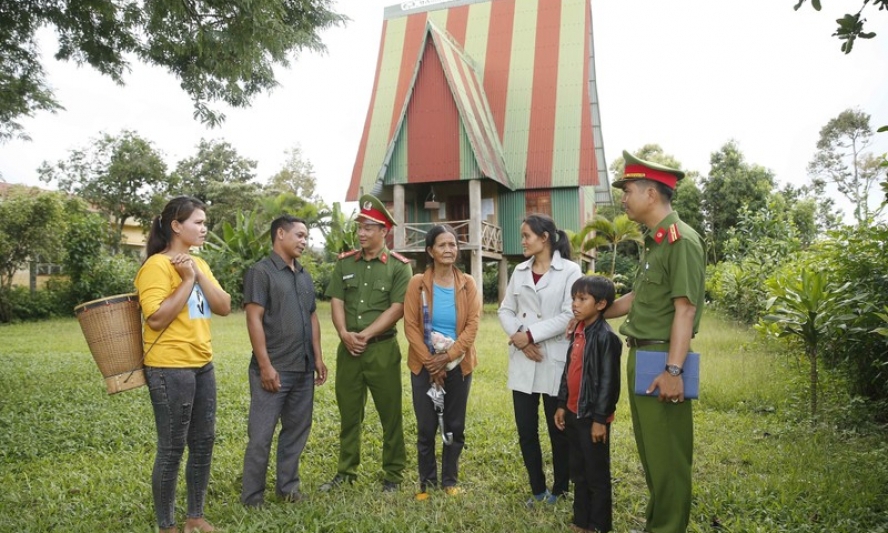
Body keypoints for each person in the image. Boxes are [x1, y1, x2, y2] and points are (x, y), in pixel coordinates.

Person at [606, 151, 705, 533]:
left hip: (664, 357)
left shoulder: (681, 241)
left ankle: (668, 528)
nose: (624, 198)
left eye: (628, 190)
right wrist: (599, 310)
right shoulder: (655, 242)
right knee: (652, 452)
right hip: (642, 353)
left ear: (651, 194)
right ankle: (657, 524)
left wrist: (674, 370)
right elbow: (638, 298)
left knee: (669, 456)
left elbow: (685, 310)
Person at [135, 196, 231, 533]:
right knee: (172, 446)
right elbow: (157, 319)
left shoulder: (198, 264)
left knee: (203, 441)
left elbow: (224, 306)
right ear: (176, 226)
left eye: (205, 223)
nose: (205, 228)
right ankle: (167, 524)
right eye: (199, 222)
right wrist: (186, 281)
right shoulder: (156, 267)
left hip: (202, 364)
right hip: (169, 368)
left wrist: (196, 274)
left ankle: (195, 516)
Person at [321, 194, 412, 492]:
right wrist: (344, 334)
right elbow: (336, 300)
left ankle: (393, 474)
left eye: (368, 227)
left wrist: (366, 334)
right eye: (360, 226)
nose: (361, 232)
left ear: (384, 231)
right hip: (348, 350)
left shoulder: (399, 267)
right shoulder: (345, 263)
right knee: (349, 413)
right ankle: (346, 472)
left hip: (382, 350)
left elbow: (397, 308)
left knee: (390, 414)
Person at [240, 215, 328, 507]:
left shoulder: (303, 275)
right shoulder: (261, 272)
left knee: (296, 431)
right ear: (280, 233)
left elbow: (312, 316)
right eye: (300, 235)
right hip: (274, 368)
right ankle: (252, 498)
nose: (305, 241)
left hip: (303, 369)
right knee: (261, 436)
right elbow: (254, 317)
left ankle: (288, 488)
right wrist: (265, 365)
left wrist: (318, 356)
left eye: (306, 236)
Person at [498, 213, 582, 506]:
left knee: (558, 429)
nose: (522, 241)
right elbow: (505, 310)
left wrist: (530, 336)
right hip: (524, 359)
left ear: (544, 237)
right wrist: (521, 337)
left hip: (552, 359)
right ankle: (537, 489)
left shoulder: (571, 271)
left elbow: (569, 313)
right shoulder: (520, 271)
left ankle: (560, 489)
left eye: (526, 236)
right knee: (526, 431)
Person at [403, 225, 481, 500]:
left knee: (454, 425)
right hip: (423, 365)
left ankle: (449, 480)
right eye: (442, 245)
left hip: (459, 364)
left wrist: (447, 358)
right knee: (426, 427)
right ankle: (427, 483)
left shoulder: (467, 283)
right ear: (430, 251)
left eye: (453, 245)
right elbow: (411, 326)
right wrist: (430, 363)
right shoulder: (417, 283)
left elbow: (472, 326)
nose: (449, 250)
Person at [554, 276, 622, 533]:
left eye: (582, 299)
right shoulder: (578, 332)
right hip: (573, 414)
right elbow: (568, 371)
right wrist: (562, 404)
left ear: (602, 304)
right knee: (578, 472)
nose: (575, 304)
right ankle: (581, 521)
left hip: (592, 418)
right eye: (574, 298)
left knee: (597, 476)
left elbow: (609, 384)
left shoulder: (607, 338)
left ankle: (599, 525)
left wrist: (599, 419)